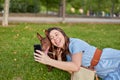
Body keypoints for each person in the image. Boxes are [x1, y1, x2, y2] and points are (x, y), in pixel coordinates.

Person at [34, 27, 120, 80]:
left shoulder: (74, 43)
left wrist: (49, 61)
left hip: (112, 60)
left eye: (56, 34)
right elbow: (74, 71)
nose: (55, 39)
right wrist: (59, 57)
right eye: (52, 38)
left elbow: (75, 66)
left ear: (63, 34)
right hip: (105, 73)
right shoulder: (66, 54)